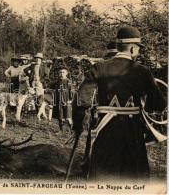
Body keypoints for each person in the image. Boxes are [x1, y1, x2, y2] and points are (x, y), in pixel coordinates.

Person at [72, 26, 166, 181]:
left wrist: (77, 125)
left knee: (103, 178)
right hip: (133, 132)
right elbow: (158, 104)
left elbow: (81, 101)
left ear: (117, 47)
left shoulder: (99, 67)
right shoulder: (142, 71)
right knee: (134, 178)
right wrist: (146, 106)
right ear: (132, 49)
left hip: (105, 131)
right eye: (138, 49)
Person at [51, 66, 72, 133]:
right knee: (60, 116)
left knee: (68, 116)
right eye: (60, 72)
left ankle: (70, 130)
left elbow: (72, 91)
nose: (61, 73)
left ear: (66, 73)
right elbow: (54, 91)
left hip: (67, 101)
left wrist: (71, 100)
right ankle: (61, 130)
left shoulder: (69, 82)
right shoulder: (57, 82)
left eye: (63, 72)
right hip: (59, 101)